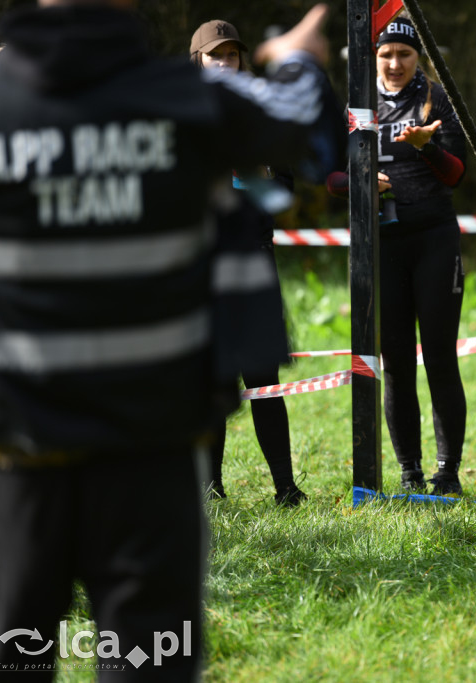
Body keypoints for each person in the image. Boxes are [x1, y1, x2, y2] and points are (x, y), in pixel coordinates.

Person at [0, 2, 336, 679]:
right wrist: (290, 54)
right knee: (150, 665)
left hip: (14, 463)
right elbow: (305, 128)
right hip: (150, 465)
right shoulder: (191, 97)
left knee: (10, 663)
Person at [328, 16, 468, 495]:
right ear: (373, 57)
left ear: (417, 58)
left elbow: (457, 174)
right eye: (385, 54)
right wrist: (360, 182)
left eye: (403, 55)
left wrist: (428, 149)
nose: (393, 64)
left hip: (434, 240)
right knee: (397, 363)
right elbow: (329, 176)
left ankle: (446, 473)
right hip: (380, 246)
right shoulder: (356, 102)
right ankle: (409, 471)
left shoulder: (436, 97)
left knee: (441, 358)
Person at [190, 19, 308, 507]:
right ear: (197, 62)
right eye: (214, 56)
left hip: (255, 260)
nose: (224, 63)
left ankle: (285, 488)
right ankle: (209, 486)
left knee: (263, 380)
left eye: (232, 55)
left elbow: (282, 193)